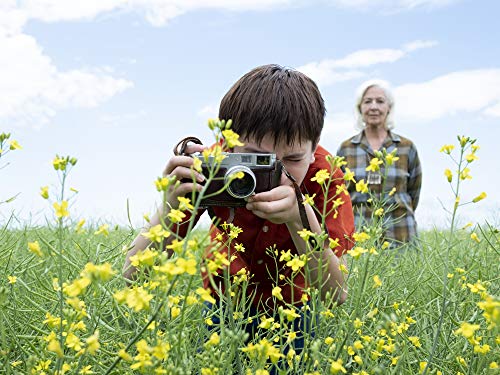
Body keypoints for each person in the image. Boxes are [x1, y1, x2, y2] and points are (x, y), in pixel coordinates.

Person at [123, 64, 355, 370]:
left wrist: (300, 219)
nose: (277, 173)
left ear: (314, 150)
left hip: (294, 304)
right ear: (228, 145)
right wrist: (169, 207)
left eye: (294, 159)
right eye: (256, 160)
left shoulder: (326, 175)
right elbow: (131, 275)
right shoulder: (213, 166)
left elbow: (335, 294)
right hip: (224, 297)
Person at [337, 79, 422, 245]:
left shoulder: (406, 147)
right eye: (367, 101)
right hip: (358, 236)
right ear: (359, 108)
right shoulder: (346, 149)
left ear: (389, 107)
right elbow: (340, 193)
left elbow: (414, 193)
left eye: (380, 101)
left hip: (400, 234)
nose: (373, 107)